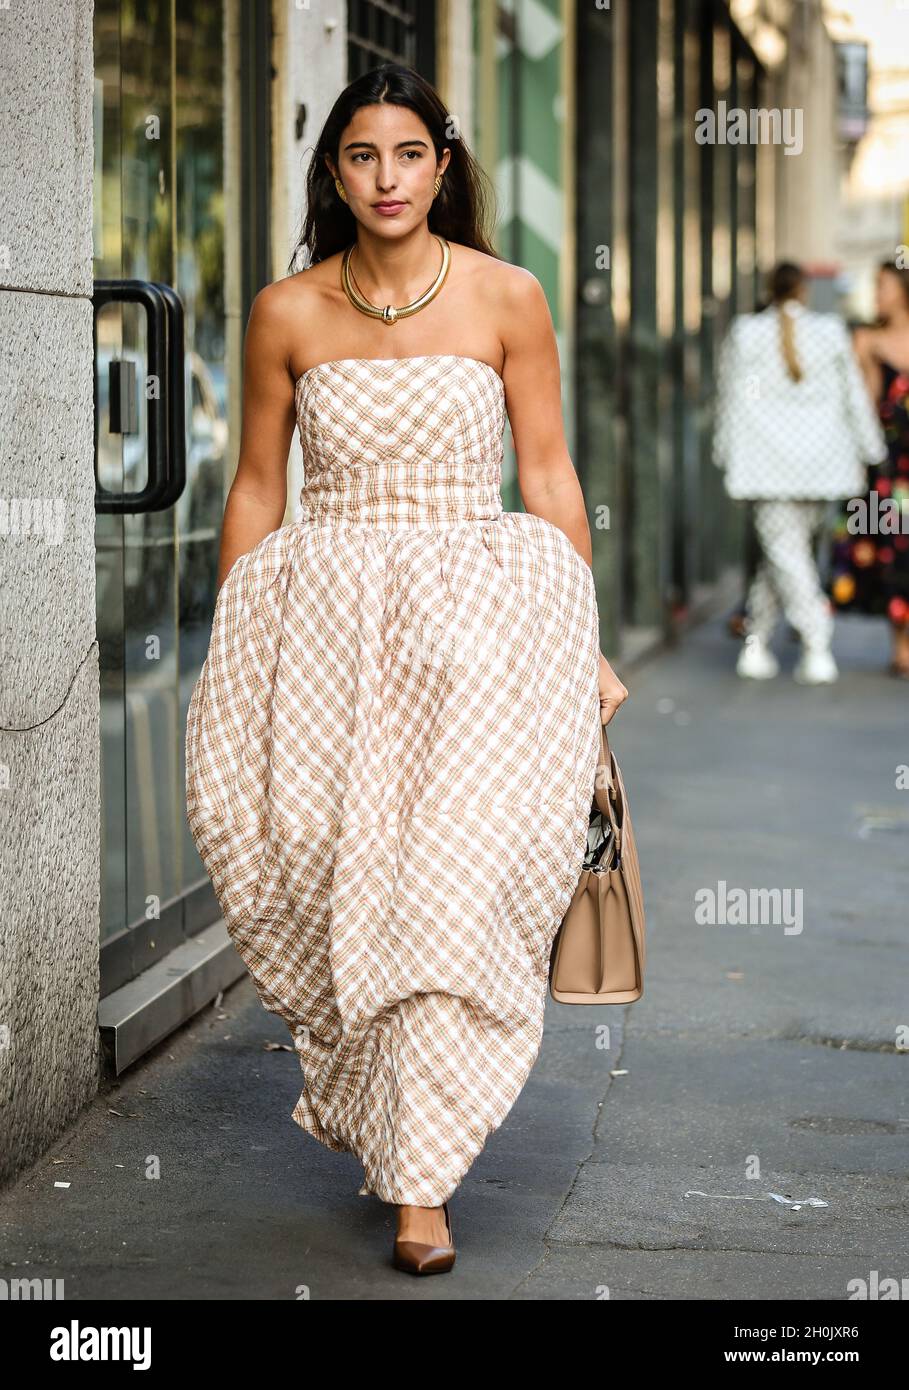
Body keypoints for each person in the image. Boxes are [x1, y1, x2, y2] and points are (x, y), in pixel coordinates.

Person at [184, 63, 628, 1277]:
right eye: (362, 157)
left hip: (475, 633)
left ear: (444, 164)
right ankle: (374, 1102)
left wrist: (578, 645)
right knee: (322, 863)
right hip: (323, 631)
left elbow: (547, 479)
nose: (387, 178)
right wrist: (238, 640)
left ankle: (422, 1186)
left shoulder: (507, 297)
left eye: (410, 154)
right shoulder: (287, 311)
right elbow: (259, 491)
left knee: (441, 880)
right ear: (335, 172)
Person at [713, 261, 887, 683]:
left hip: (768, 465)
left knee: (784, 555)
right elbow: (853, 397)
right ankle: (783, 644)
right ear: (804, 291)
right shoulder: (830, 332)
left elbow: (730, 395)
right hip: (822, 464)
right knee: (787, 554)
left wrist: (725, 454)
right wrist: (871, 449)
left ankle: (811, 644)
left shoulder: (746, 332)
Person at [830, 260, 909, 677]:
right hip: (891, 463)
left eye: (883, 285)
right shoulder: (868, 340)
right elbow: (864, 406)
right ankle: (901, 645)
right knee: (894, 549)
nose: (877, 294)